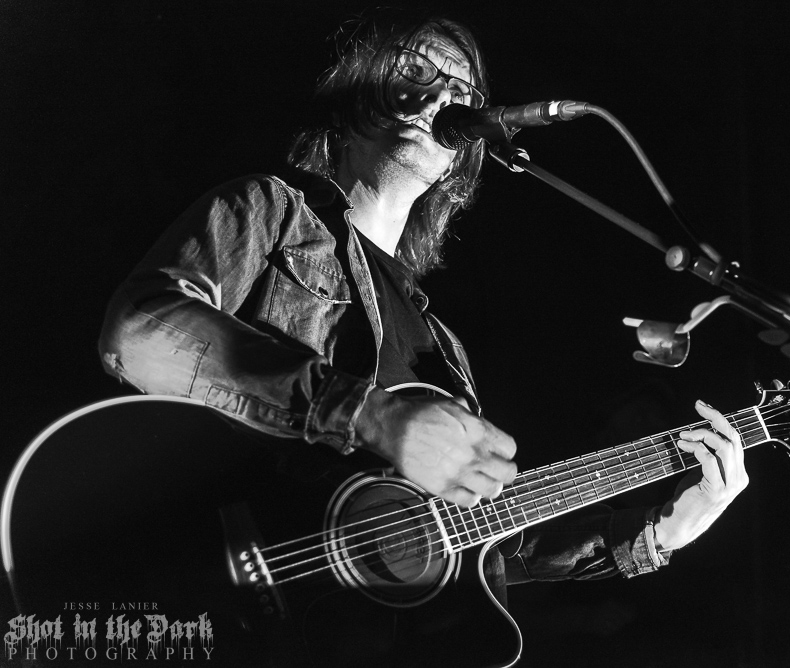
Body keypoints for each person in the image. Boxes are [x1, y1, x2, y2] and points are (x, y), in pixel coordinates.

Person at [98, 4, 747, 649]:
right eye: (415, 77)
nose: (437, 99)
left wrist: (661, 531)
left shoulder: (445, 357)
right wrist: (371, 418)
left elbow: (482, 548)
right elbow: (138, 333)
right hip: (182, 573)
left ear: (464, 149)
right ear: (357, 94)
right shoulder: (271, 211)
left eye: (460, 94)